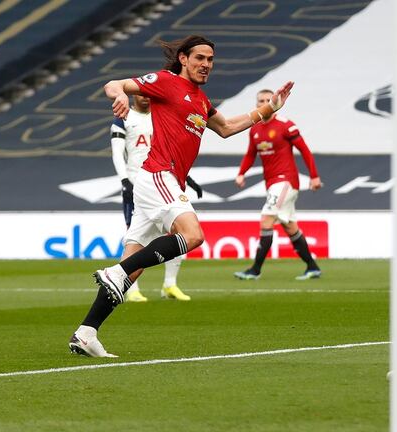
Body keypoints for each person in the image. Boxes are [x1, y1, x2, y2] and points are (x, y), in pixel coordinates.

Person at [68, 34, 294, 357]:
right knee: (193, 235)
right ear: (184, 59)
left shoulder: (201, 101)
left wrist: (268, 108)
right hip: (157, 175)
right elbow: (114, 83)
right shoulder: (166, 82)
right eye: (200, 58)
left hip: (165, 181)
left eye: (211, 60)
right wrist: (118, 95)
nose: (206, 65)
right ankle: (114, 274)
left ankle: (86, 332)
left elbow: (228, 127)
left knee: (133, 267)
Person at [111, 93, 203, 302]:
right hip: (137, 186)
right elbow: (117, 153)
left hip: (164, 181)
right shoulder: (124, 117)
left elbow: (170, 153)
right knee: (135, 237)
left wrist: (188, 178)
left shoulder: (160, 116)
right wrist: (124, 180)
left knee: (179, 234)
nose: (145, 98)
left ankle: (170, 285)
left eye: (148, 95)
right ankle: (132, 288)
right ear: (133, 96)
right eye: (140, 95)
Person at [232, 89, 322, 281]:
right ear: (257, 105)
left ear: (274, 101)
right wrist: (241, 173)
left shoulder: (285, 125)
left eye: (267, 99)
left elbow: (304, 150)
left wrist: (314, 176)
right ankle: (312, 267)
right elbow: (250, 154)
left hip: (286, 181)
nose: (264, 103)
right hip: (272, 183)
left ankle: (255, 270)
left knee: (266, 220)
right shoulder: (255, 129)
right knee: (290, 226)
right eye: (260, 101)